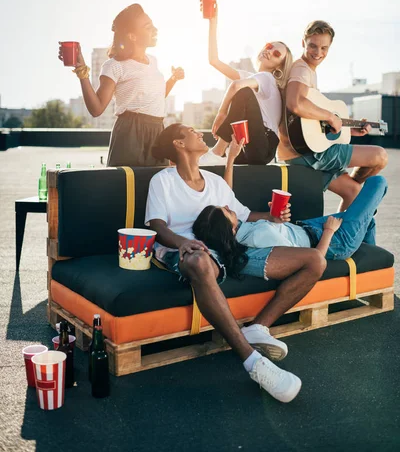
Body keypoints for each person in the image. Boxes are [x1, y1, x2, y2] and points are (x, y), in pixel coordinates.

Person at [145, 123, 330, 403]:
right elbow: (156, 225)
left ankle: (259, 327)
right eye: (191, 131)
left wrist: (273, 217)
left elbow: (244, 215)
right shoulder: (164, 180)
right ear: (178, 144)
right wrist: (182, 243)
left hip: (230, 248)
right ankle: (253, 361)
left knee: (315, 261)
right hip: (186, 251)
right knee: (199, 262)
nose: (199, 133)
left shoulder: (216, 183)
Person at [278, 20, 388, 210]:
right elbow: (295, 103)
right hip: (307, 155)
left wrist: (348, 131)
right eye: (312, 45)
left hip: (301, 151)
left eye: (324, 47)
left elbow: (307, 124)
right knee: (380, 156)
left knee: (353, 192)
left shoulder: (308, 71)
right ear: (303, 43)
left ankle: (338, 236)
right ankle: (355, 188)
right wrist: (330, 116)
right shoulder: (302, 69)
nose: (318, 52)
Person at [58, 3, 184, 166]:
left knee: (156, 187)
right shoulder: (114, 65)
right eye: (148, 27)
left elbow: (154, 98)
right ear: (132, 36)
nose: (155, 30)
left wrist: (173, 79)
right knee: (127, 187)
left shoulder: (153, 61)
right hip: (131, 132)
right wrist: (81, 71)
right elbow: (96, 109)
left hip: (157, 131)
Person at [193, 175, 387, 272]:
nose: (228, 206)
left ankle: (370, 269)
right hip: (333, 242)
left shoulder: (242, 228)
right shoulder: (257, 237)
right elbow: (313, 259)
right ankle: (364, 256)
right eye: (225, 211)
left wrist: (274, 219)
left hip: (310, 227)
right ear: (229, 228)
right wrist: (329, 231)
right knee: (377, 181)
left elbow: (229, 190)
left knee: (367, 221)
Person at [203, 3, 293, 165]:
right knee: (243, 91)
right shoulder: (253, 78)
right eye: (269, 46)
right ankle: (223, 154)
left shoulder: (267, 78)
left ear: (279, 66)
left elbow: (236, 86)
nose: (269, 51)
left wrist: (222, 114)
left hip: (264, 144)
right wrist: (213, 23)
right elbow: (214, 61)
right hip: (252, 146)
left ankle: (218, 151)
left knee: (243, 92)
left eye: (276, 53)